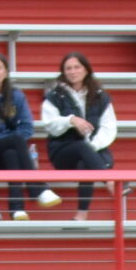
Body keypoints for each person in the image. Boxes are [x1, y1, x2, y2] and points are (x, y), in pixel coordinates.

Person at [0, 52, 60, 219]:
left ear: (5, 72)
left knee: (12, 153)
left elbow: (27, 128)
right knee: (15, 141)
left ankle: (16, 209)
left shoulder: (16, 95)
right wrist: (7, 139)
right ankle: (37, 188)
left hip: (10, 150)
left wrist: (9, 141)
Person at [38, 51, 116, 217]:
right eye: (68, 68)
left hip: (92, 152)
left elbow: (109, 128)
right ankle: (110, 182)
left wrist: (92, 147)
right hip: (62, 151)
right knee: (81, 147)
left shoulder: (100, 96)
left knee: (86, 161)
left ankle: (82, 214)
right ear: (63, 72)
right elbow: (50, 125)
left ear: (86, 69)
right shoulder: (54, 96)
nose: (73, 71)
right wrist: (71, 120)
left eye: (77, 67)